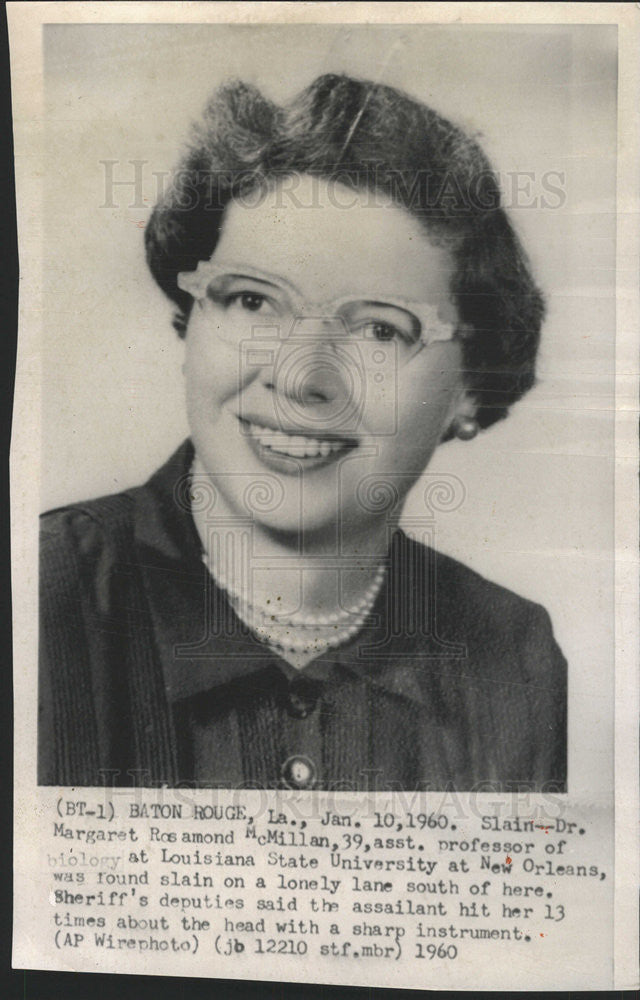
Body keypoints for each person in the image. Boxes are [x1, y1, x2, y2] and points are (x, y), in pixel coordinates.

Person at [38, 73, 567, 791]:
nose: (298, 377)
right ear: (192, 322)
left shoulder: (512, 655)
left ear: (473, 387)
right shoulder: (41, 595)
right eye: (253, 300)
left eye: (382, 328)